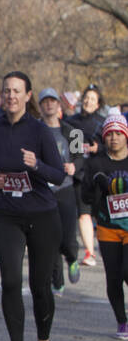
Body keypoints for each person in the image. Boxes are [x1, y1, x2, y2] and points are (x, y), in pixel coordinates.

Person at [0, 71, 65, 341]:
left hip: (43, 215)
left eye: (17, 91)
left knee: (40, 285)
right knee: (10, 281)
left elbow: (58, 174)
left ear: (28, 96)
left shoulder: (40, 131)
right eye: (6, 91)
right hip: (7, 215)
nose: (11, 96)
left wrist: (37, 165)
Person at [80, 114, 128, 338]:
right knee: (113, 277)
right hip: (107, 226)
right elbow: (86, 198)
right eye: (110, 134)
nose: (114, 138)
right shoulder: (96, 162)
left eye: (119, 133)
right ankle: (122, 322)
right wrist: (97, 183)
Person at [38, 87, 83, 293]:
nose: (49, 105)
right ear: (40, 106)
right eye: (45, 101)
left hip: (65, 189)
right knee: (50, 238)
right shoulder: (34, 131)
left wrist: (74, 167)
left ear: (59, 105)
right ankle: (57, 281)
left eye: (53, 101)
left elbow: (80, 158)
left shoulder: (71, 132)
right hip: (43, 191)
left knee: (67, 239)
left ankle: (72, 258)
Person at [69, 86, 106, 266]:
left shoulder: (103, 122)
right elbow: (68, 147)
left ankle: (109, 248)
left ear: (98, 103)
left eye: (92, 99)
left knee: (101, 216)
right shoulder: (71, 122)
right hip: (79, 175)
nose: (88, 101)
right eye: (86, 97)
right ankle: (90, 252)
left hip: (99, 175)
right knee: (84, 215)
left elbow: (115, 146)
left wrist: (99, 148)